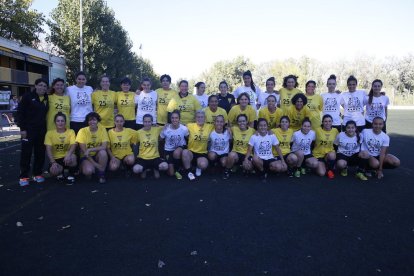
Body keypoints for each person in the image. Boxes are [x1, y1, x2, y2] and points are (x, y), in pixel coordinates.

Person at [16, 78, 49, 186]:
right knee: (26, 153)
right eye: (40, 85)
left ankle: (37, 174)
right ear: (35, 86)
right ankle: (24, 176)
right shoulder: (27, 97)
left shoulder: (46, 98)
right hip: (28, 130)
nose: (42, 88)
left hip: (41, 131)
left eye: (44, 86)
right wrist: (22, 129)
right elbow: (20, 113)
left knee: (40, 153)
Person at [76, 112, 109, 184]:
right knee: (88, 172)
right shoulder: (82, 131)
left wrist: (90, 149)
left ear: (97, 121)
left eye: (94, 120)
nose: (92, 122)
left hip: (97, 154)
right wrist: (94, 164)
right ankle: (85, 168)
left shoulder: (102, 129)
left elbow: (104, 146)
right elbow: (84, 152)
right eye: (90, 120)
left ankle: (101, 174)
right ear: (87, 122)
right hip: (86, 156)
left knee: (103, 152)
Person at [44, 112, 77, 184]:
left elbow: (73, 145)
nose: (60, 123)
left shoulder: (71, 131)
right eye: (58, 121)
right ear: (55, 122)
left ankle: (70, 174)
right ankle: (61, 173)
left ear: (65, 122)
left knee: (73, 157)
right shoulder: (49, 133)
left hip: (67, 157)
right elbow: (48, 149)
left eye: (62, 121)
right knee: (53, 171)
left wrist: (68, 154)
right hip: (56, 159)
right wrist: (53, 162)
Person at [132, 114, 168, 179]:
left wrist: (157, 125)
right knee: (136, 169)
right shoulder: (138, 133)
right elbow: (135, 145)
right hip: (143, 158)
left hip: (155, 157)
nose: (147, 124)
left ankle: (155, 168)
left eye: (149, 122)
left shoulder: (156, 129)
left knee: (165, 166)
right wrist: (135, 157)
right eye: (145, 122)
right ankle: (144, 169)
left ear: (152, 122)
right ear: (143, 122)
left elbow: (167, 126)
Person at [182, 110, 214, 180]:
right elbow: (179, 126)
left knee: (203, 165)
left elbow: (220, 127)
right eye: (198, 117)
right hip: (191, 152)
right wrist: (167, 126)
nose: (200, 119)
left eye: (201, 117)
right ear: (195, 118)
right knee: (184, 152)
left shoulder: (210, 126)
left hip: (202, 153)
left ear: (205, 118)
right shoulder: (189, 125)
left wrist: (229, 129)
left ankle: (198, 167)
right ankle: (189, 172)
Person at [160, 110, 189, 179]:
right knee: (171, 173)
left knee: (176, 152)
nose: (174, 119)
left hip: (180, 148)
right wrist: (162, 130)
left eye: (176, 118)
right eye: (173, 118)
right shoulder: (166, 128)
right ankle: (173, 167)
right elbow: (160, 139)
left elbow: (188, 138)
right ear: (170, 119)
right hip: (168, 150)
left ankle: (178, 168)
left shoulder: (184, 128)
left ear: (179, 119)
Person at [224, 114, 255, 179]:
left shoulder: (252, 131)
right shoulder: (234, 129)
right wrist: (228, 128)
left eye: (243, 121)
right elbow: (226, 127)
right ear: (237, 122)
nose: (242, 123)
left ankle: (246, 169)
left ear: (247, 122)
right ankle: (227, 170)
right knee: (231, 155)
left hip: (247, 154)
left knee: (247, 166)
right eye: (240, 121)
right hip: (236, 153)